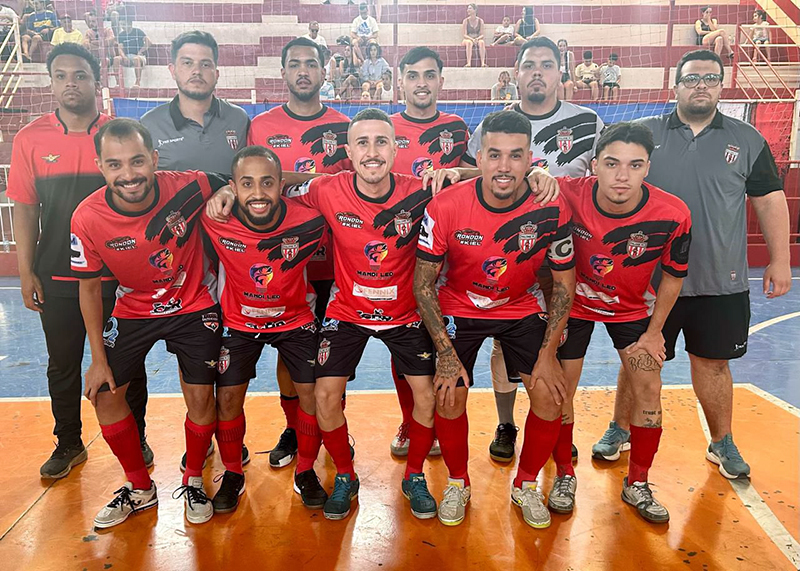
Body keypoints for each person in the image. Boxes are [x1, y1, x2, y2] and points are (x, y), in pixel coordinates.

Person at [211, 108, 444, 521]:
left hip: (404, 312)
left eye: (381, 142)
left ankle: (414, 475)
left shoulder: (421, 190)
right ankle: (346, 475)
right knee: (323, 396)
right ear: (348, 151)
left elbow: (482, 183)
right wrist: (229, 192)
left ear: (395, 147)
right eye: (362, 143)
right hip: (347, 311)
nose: (372, 152)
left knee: (427, 397)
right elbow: (278, 187)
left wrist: (529, 175)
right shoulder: (326, 189)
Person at [592, 49, 791, 481]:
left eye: (711, 78)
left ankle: (722, 442)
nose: (701, 85)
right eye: (692, 78)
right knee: (638, 359)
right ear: (676, 85)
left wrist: (781, 259)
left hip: (721, 280)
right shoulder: (644, 133)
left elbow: (770, 200)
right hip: (649, 281)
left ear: (722, 86)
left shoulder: (748, 139)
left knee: (715, 364)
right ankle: (619, 428)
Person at [414, 109, 574, 527]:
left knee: (549, 392)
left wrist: (547, 355)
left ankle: (525, 485)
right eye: (495, 155)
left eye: (516, 156)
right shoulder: (446, 205)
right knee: (448, 392)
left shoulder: (551, 206)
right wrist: (446, 354)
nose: (504, 167)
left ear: (531, 160)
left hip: (520, 304)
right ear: (479, 158)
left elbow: (565, 285)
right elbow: (423, 285)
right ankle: (457, 482)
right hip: (459, 306)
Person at [72, 118, 228, 529]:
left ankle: (193, 478)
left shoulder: (190, 185)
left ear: (154, 160)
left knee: (200, 397)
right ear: (100, 167)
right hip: (133, 310)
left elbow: (242, 180)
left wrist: (227, 190)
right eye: (115, 164)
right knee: (104, 394)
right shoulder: (86, 217)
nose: (129, 174)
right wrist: (97, 357)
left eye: (138, 161)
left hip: (194, 305)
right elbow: (88, 290)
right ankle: (139, 488)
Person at [8, 43, 150, 480]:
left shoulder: (121, 136)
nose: (71, 83)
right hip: (58, 273)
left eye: (80, 75)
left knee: (128, 363)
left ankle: (137, 436)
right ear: (50, 84)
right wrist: (25, 269)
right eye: (62, 76)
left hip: (117, 275)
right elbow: (26, 209)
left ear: (96, 80)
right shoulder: (30, 138)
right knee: (63, 362)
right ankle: (68, 441)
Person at [461, 37, 604, 466]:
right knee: (506, 345)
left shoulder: (589, 122)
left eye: (546, 64)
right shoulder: (494, 123)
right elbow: (477, 177)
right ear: (516, 74)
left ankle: (558, 421)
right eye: (528, 65)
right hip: (509, 255)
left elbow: (600, 180)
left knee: (560, 348)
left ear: (561, 73)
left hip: (564, 257)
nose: (537, 72)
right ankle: (507, 424)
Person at [551, 122, 692, 524]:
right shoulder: (568, 191)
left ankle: (638, 483)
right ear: (594, 165)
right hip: (573, 305)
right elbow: (515, 175)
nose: (622, 175)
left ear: (649, 167)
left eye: (635, 165)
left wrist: (654, 332)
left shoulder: (673, 213)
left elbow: (674, 275)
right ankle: (563, 474)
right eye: (611, 164)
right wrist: (458, 172)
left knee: (649, 385)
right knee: (559, 389)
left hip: (632, 310)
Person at [201, 145, 329, 512]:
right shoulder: (214, 219)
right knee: (226, 400)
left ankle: (305, 471)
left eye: (267, 183)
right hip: (238, 323)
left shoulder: (310, 220)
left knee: (312, 395)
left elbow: (332, 187)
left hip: (295, 321)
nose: (258, 193)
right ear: (234, 187)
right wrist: (222, 193)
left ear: (281, 184)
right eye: (246, 184)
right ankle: (232, 474)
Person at [248, 37, 353, 469]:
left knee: (334, 357)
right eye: (295, 64)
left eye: (312, 63)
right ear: (284, 72)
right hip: (283, 262)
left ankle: (333, 427)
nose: (304, 71)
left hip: (337, 261)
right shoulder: (261, 126)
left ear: (325, 70)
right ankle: (294, 429)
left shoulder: (346, 127)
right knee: (290, 356)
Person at [387, 46, 470, 457]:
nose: (422, 82)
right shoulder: (384, 127)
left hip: (448, 253)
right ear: (400, 81)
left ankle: (439, 419)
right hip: (397, 252)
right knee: (406, 341)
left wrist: (459, 171)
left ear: (441, 80)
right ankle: (411, 421)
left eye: (430, 75)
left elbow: (480, 175)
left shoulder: (456, 127)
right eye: (413, 75)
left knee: (438, 339)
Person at [140, 30, 250, 174]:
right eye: (187, 63)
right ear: (172, 71)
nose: (196, 71)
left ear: (216, 74)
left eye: (205, 64)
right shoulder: (149, 125)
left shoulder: (238, 119)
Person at [113, 18, 150, 87]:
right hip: (127, 56)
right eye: (121, 25)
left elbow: (149, 42)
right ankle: (118, 83)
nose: (122, 26)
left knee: (136, 59)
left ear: (130, 24)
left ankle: (137, 82)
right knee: (116, 59)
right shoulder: (121, 35)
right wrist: (124, 56)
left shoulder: (138, 31)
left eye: (124, 24)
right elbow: (120, 48)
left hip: (139, 56)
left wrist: (141, 51)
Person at [461, 3, 486, 68]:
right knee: (469, 43)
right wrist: (472, 39)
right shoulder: (465, 21)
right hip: (468, 39)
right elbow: (464, 35)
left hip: (477, 38)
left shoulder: (480, 21)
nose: (467, 10)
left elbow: (482, 34)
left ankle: (483, 63)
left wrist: (477, 39)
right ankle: (468, 63)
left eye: (470, 8)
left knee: (482, 42)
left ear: (475, 10)